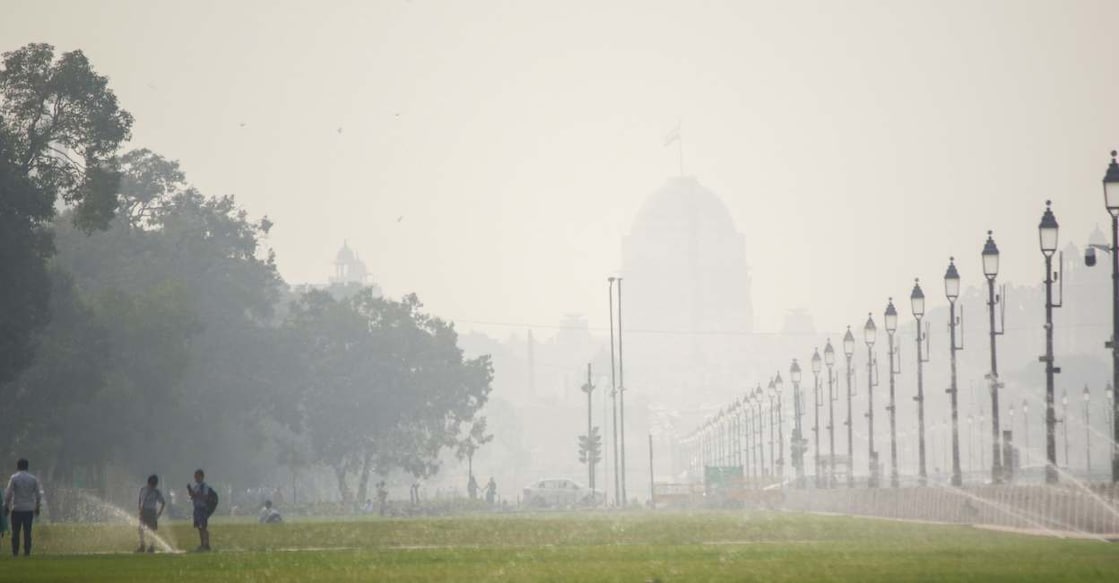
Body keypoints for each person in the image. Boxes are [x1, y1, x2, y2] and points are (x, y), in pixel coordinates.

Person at [4, 458, 41, 557]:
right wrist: (37, 507)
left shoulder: (14, 478)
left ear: (18, 466)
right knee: (27, 532)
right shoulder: (33, 479)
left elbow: (8, 494)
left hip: (17, 508)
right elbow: (38, 495)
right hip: (29, 509)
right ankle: (27, 552)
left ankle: (15, 552)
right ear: (27, 467)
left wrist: (6, 506)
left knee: (15, 532)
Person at [137, 474, 166, 553]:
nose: (153, 486)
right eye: (152, 484)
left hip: (152, 511)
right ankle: (142, 545)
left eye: (154, 484)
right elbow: (140, 500)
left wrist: (159, 513)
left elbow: (163, 502)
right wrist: (140, 510)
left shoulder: (156, 491)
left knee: (152, 530)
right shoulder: (143, 489)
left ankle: (152, 546)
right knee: (140, 529)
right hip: (143, 511)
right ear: (149, 482)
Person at [186, 469, 212, 552]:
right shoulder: (196, 486)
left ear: (201, 476)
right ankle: (202, 544)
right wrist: (190, 490)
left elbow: (205, 497)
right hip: (196, 508)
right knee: (199, 528)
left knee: (203, 527)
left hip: (202, 508)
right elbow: (192, 496)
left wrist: (196, 494)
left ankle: (207, 544)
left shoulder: (204, 486)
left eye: (196, 476)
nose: (195, 478)